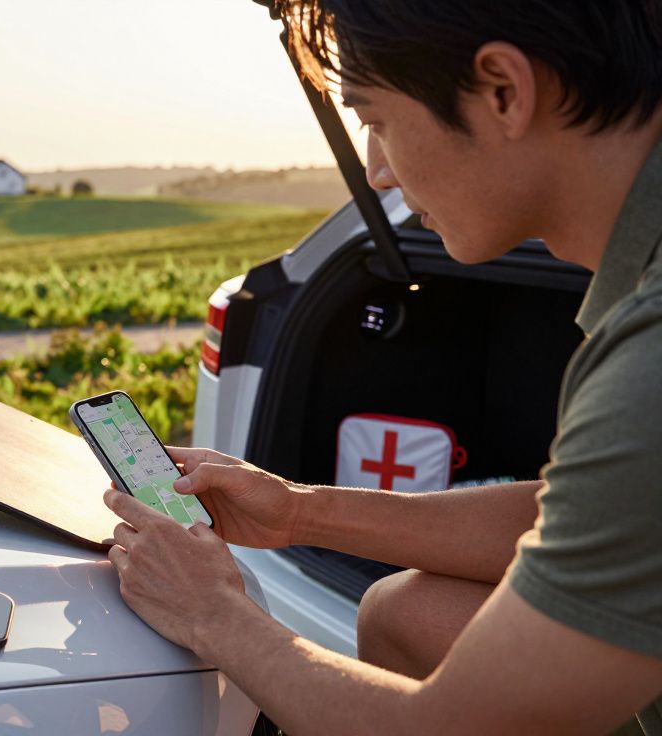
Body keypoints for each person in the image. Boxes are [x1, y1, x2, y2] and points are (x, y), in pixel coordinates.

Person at [102, 2, 662, 734]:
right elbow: (589, 511)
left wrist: (213, 616)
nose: (378, 170)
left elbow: (450, 727)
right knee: (409, 613)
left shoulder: (648, 367)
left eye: (377, 119)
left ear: (502, 90)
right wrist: (299, 510)